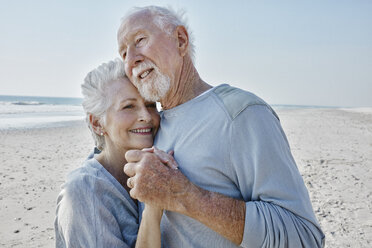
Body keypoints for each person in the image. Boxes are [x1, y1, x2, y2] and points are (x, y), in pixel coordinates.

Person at [117, 6, 325, 247]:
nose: (131, 60)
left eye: (140, 40)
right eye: (123, 54)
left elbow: (304, 237)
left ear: (181, 41)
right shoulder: (151, 128)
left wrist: (184, 195)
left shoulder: (241, 113)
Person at [54, 59, 171, 248]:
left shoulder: (156, 166)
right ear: (97, 123)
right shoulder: (83, 191)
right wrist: (153, 207)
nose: (146, 116)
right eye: (128, 106)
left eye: (150, 105)